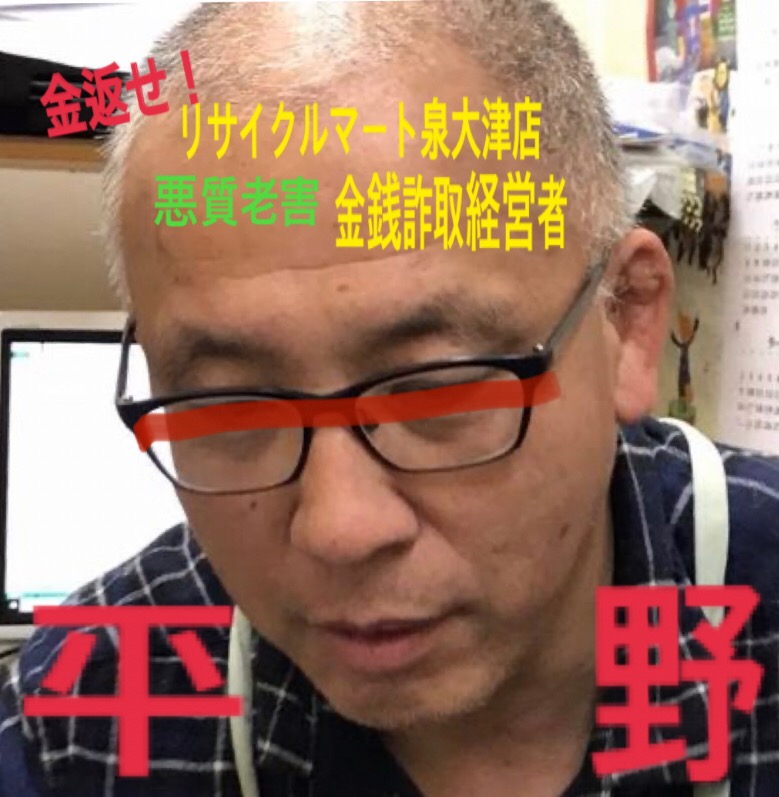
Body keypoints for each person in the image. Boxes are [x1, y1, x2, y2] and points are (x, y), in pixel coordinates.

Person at [2, 2, 779, 796]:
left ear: (626, 318)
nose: (340, 530)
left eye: (436, 389)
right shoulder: (81, 724)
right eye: (231, 403)